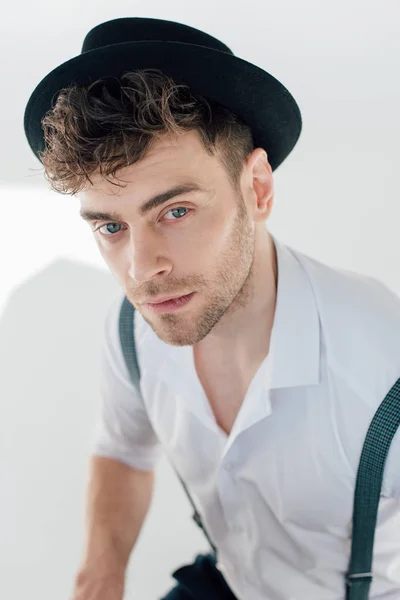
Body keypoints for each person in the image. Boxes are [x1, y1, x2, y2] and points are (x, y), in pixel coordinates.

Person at [23, 17, 400, 600]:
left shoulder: (383, 362)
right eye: (111, 226)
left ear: (258, 189)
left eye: (175, 211)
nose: (142, 268)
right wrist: (100, 575)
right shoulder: (130, 330)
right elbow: (123, 448)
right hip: (224, 581)